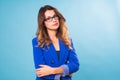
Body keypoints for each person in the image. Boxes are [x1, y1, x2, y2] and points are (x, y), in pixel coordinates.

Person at [32, 5, 79, 80]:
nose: (54, 20)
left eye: (55, 16)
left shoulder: (67, 40)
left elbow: (75, 65)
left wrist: (53, 71)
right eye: (49, 18)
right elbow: (41, 71)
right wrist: (65, 73)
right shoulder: (37, 41)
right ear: (43, 23)